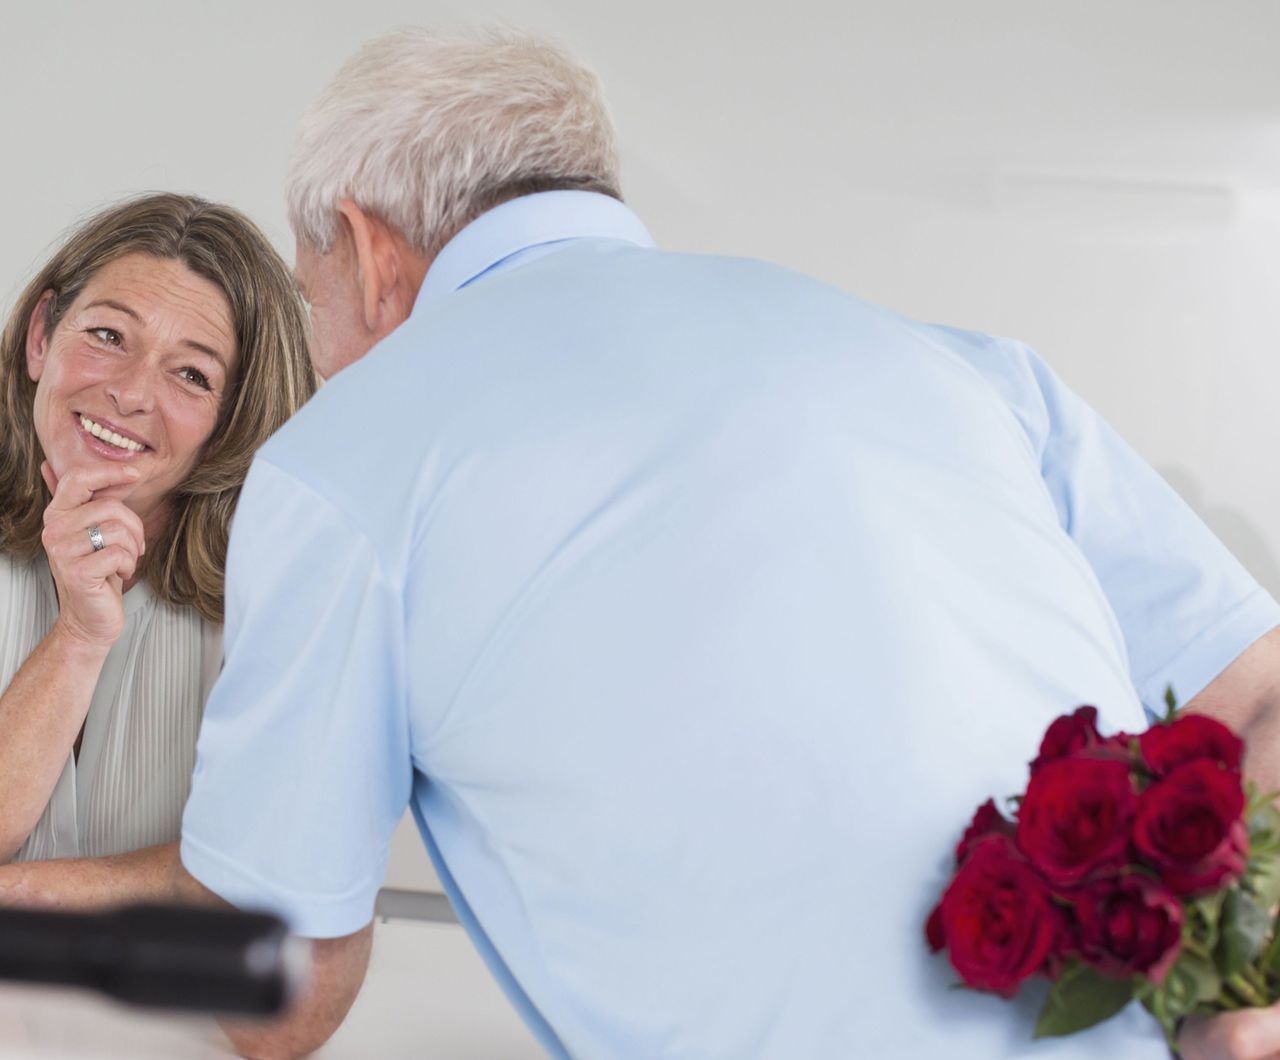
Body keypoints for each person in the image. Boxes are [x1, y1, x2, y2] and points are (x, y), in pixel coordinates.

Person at [6, 30, 1280, 1060]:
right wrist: (1245, 990)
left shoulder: (343, 469)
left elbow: (280, 999)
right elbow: (1258, 692)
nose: (324, 343)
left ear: (370, 248)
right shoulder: (953, 363)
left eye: (308, 288)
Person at [0, 193, 315, 891]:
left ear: (229, 427)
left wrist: (23, 899)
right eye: (109, 336)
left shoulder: (278, 600)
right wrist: (79, 636)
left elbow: (254, 873)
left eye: (192, 374)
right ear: (40, 337)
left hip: (173, 1004)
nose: (131, 392)